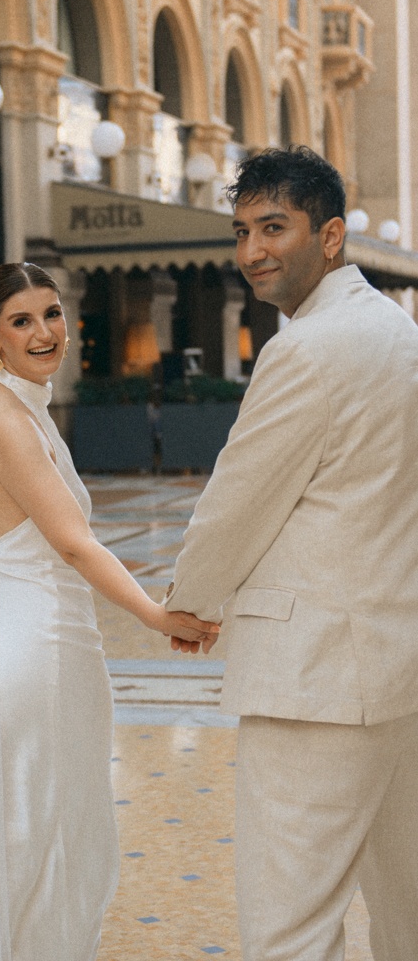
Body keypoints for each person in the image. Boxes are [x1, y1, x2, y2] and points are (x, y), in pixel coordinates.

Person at [0, 262, 219, 961]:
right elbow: (72, 543)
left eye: (52, 313)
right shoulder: (6, 421)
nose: (44, 332)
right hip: (37, 655)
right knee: (36, 840)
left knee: (44, 831)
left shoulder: (15, 405)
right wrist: (155, 615)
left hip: (42, 645)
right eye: (22, 320)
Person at [165, 146, 418, 961]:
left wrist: (187, 602)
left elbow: (236, 503)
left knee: (289, 924)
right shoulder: (401, 334)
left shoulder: (304, 349)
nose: (252, 251)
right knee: (407, 912)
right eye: (241, 231)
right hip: (399, 671)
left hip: (312, 681)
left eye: (273, 228)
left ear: (330, 235)